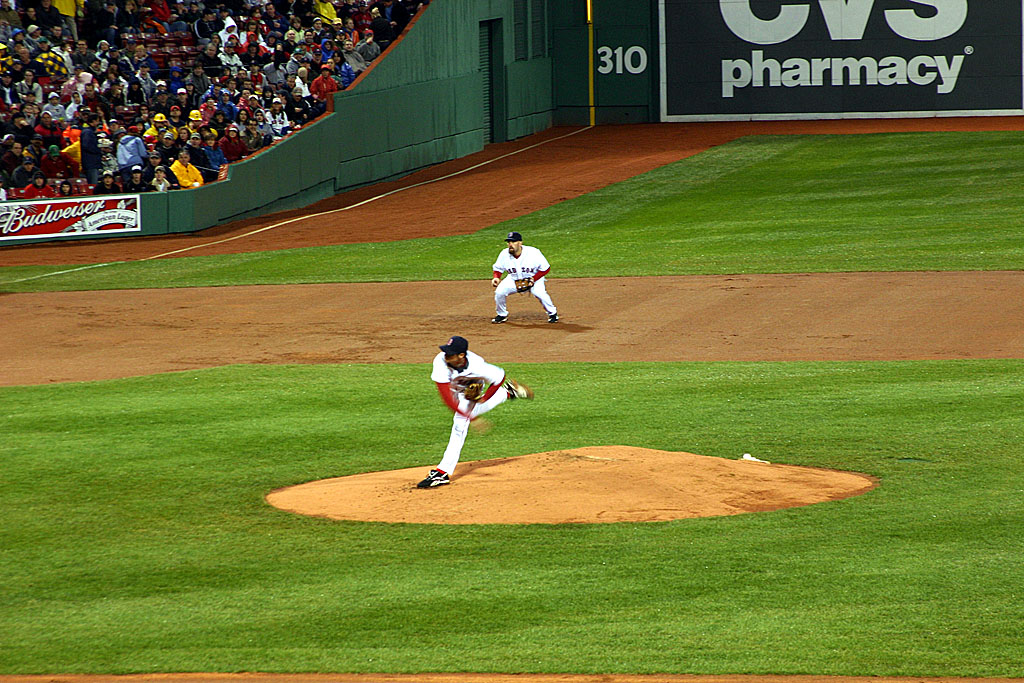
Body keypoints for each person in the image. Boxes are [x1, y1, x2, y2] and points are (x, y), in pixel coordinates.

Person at [417, 335, 533, 488]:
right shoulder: (440, 361)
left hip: (471, 390)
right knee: (465, 416)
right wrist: (472, 418)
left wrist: (484, 398)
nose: (446, 356)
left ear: (461, 356)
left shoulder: (478, 366)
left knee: (459, 424)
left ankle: (442, 472)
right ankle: (508, 392)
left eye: (450, 354)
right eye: (446, 352)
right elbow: (447, 398)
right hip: (453, 389)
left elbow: (499, 377)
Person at [490, 231, 558, 324]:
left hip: (534, 278)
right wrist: (496, 277)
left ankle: (552, 314)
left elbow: (546, 268)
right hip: (513, 278)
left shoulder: (533, 252)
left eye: (513, 242)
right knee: (499, 292)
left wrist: (534, 279)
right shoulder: (504, 254)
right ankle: (502, 314)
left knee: (539, 293)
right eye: (509, 242)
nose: (510, 245)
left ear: (520, 243)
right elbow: (498, 268)